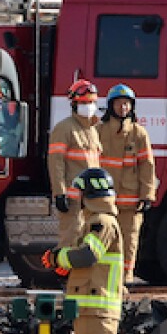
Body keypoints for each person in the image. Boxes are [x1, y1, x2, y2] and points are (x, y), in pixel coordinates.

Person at [42, 167, 127, 334]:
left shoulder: (102, 222)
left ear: (88, 194)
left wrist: (60, 257)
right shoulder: (93, 221)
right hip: (87, 306)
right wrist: (62, 264)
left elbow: (88, 255)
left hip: (99, 306)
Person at [97, 84, 159, 280]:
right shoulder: (98, 131)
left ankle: (125, 279)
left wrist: (147, 195)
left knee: (129, 241)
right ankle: (102, 279)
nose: (123, 108)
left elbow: (147, 165)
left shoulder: (139, 134)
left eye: (126, 104)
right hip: (103, 202)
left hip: (130, 202)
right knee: (101, 239)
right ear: (110, 106)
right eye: (118, 103)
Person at [47, 78, 104, 253]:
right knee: (69, 240)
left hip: (92, 198)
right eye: (84, 103)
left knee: (87, 242)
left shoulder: (93, 130)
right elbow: (56, 162)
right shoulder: (64, 128)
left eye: (92, 102)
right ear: (74, 104)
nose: (89, 106)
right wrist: (59, 193)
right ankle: (65, 278)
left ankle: (81, 279)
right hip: (72, 199)